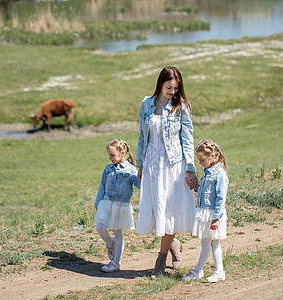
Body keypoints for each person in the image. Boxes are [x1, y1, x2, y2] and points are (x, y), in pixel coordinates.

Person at [136, 66, 198, 277]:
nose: (172, 91)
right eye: (168, 87)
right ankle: (173, 245)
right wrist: (140, 165)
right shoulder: (146, 104)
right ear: (160, 84)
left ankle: (160, 262)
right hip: (152, 165)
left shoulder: (181, 107)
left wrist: (190, 169)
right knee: (157, 211)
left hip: (173, 166)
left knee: (168, 212)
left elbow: (187, 140)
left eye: (175, 88)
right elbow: (142, 138)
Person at [182, 140, 228, 283]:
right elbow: (206, 191)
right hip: (205, 212)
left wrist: (216, 218)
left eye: (202, 160)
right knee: (210, 243)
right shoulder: (207, 172)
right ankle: (213, 271)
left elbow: (221, 197)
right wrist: (196, 188)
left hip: (212, 214)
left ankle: (200, 271)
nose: (200, 163)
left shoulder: (220, 174)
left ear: (213, 156)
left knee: (211, 243)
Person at [94, 138, 140, 273]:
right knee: (100, 227)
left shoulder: (131, 170)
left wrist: (145, 176)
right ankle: (111, 244)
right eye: (109, 155)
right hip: (106, 203)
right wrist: (98, 203)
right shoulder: (107, 169)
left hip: (121, 205)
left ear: (123, 152)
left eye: (112, 155)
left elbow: (139, 185)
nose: (110, 158)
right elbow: (101, 186)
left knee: (118, 233)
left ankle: (116, 262)